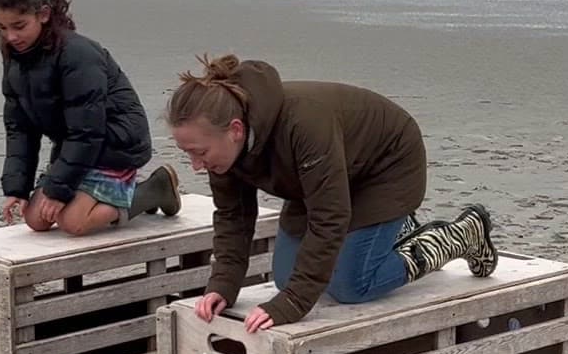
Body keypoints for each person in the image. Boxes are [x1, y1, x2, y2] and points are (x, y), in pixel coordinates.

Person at [165, 54, 497, 332]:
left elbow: (329, 216)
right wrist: (223, 285)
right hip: (324, 181)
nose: (196, 165)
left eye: (200, 152)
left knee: (350, 285)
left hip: (386, 167)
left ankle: (459, 236)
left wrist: (294, 304)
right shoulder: (221, 151)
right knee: (285, 278)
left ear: (235, 131)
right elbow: (233, 218)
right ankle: (391, 234)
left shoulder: (303, 124)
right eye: (188, 154)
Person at [0, 0, 181, 235]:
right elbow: (20, 129)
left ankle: (153, 191)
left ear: (44, 14)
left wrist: (58, 191)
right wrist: (17, 188)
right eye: (2, 28)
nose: (10, 37)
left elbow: (88, 131)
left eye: (19, 26)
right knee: (34, 219)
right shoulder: (17, 59)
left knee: (74, 222)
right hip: (77, 145)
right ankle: (90, 196)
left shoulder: (78, 56)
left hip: (115, 144)